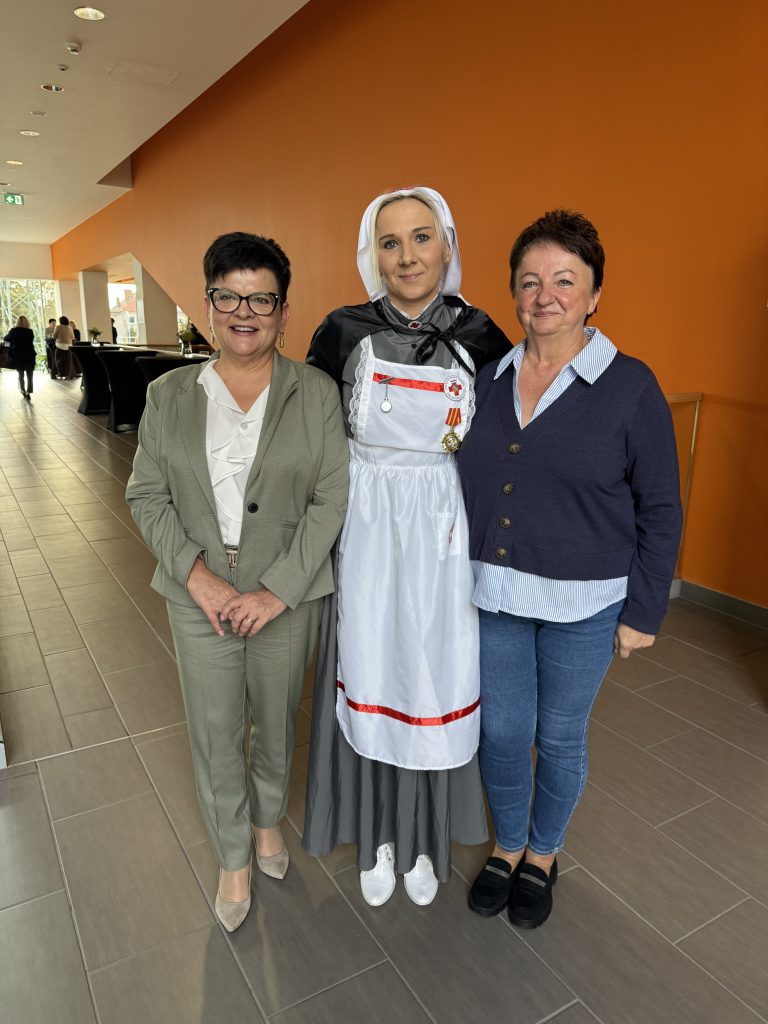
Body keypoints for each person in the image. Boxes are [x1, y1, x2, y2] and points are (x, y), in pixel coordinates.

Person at [457, 210, 682, 929]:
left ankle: (543, 854)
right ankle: (508, 844)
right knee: (500, 733)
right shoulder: (486, 379)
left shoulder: (630, 386)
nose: (544, 295)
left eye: (564, 280)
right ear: (514, 293)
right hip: (495, 593)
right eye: (529, 281)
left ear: (594, 294)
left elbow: (661, 507)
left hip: (585, 605)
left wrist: (644, 612)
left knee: (558, 736)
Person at [126, 232, 348, 932]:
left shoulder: (315, 393)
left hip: (287, 593)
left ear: (283, 312)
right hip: (199, 593)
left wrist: (278, 589)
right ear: (208, 306)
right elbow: (146, 495)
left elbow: (331, 500)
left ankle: (267, 821)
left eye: (261, 299)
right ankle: (232, 854)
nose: (244, 313)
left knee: (277, 720)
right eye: (229, 297)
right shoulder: (168, 395)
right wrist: (196, 576)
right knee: (215, 727)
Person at [303, 186, 510, 907]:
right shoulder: (342, 331)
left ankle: (425, 839)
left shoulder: (482, 337)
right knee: (373, 666)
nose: (408, 256)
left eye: (422, 237)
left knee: (432, 672)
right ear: (373, 254)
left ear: (447, 245)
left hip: (445, 529)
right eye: (390, 242)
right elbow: (314, 441)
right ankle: (378, 837)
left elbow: (505, 451)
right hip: (366, 527)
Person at [4, 316, 36, 400]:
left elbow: (6, 338)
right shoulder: (30, 331)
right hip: (30, 355)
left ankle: (23, 390)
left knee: (21, 374)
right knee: (30, 375)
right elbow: (30, 341)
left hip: (18, 356)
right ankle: (29, 392)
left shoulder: (13, 331)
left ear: (17, 322)